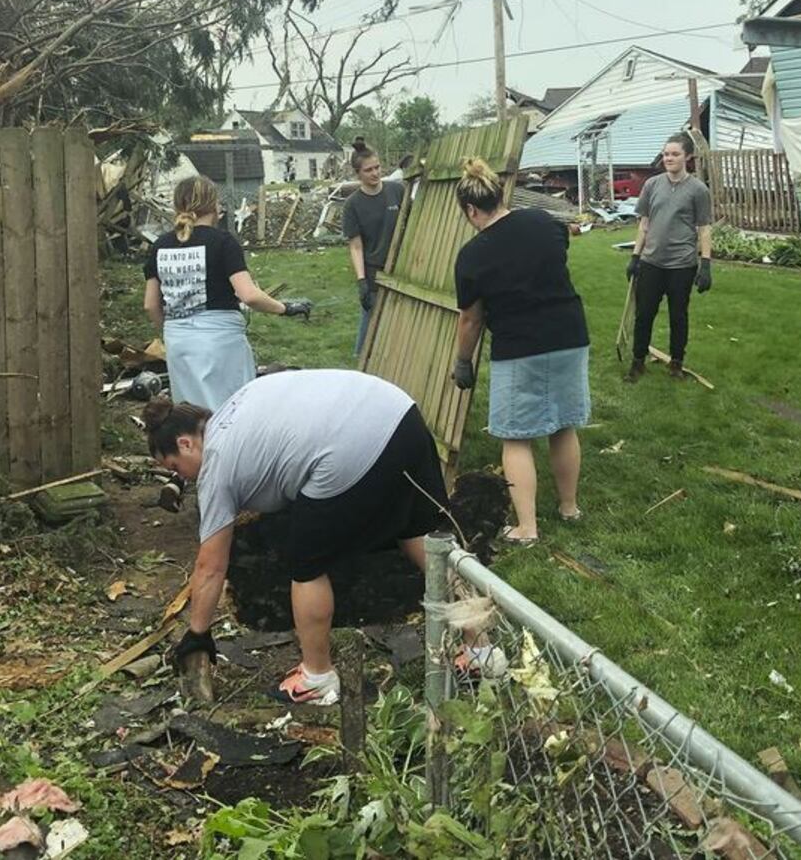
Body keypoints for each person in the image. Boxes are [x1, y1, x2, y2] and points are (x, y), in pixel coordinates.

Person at [148, 369, 445, 705]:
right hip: (400, 413)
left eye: (174, 467)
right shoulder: (237, 404)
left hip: (350, 448)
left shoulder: (217, 466)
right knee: (425, 536)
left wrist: (197, 633)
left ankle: (316, 677)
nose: (180, 478)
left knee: (305, 564)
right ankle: (480, 647)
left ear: (186, 443)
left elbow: (211, 566)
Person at [449, 157, 590, 544]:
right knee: (563, 425)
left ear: (471, 209)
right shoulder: (545, 223)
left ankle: (527, 528)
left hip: (520, 347)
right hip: (569, 335)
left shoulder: (472, 256)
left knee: (515, 437)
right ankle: (569, 508)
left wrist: (463, 361)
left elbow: (471, 321)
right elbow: (556, 258)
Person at [144, 175, 311, 411]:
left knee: (190, 413)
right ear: (214, 205)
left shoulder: (159, 246)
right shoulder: (222, 242)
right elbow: (249, 295)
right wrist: (285, 308)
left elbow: (150, 305)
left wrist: (172, 333)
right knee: (231, 410)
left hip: (178, 341)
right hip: (219, 342)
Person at [626, 132, 714, 380]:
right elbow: (644, 223)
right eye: (666, 154)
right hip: (651, 262)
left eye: (674, 154)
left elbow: (704, 228)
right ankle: (638, 362)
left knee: (678, 315)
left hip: (682, 265)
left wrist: (705, 264)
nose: (669, 158)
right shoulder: (652, 185)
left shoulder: (698, 190)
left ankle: (676, 363)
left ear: (688, 157)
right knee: (644, 314)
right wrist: (635, 256)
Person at [341, 137, 406, 357]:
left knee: (400, 321)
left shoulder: (397, 191)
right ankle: (362, 361)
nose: (375, 173)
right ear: (358, 173)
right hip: (374, 273)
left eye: (377, 167)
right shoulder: (352, 205)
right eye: (368, 170)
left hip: (401, 269)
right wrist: (362, 282)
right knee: (371, 322)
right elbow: (356, 247)